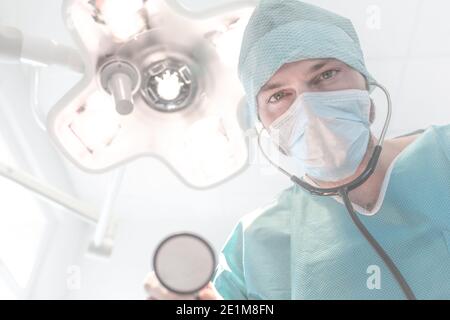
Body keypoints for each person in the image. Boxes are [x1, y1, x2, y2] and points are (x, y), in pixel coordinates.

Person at [144, 0, 450, 299]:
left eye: (325, 75)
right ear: (264, 125)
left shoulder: (443, 154)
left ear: (364, 80)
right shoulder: (257, 245)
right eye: (278, 96)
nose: (308, 107)